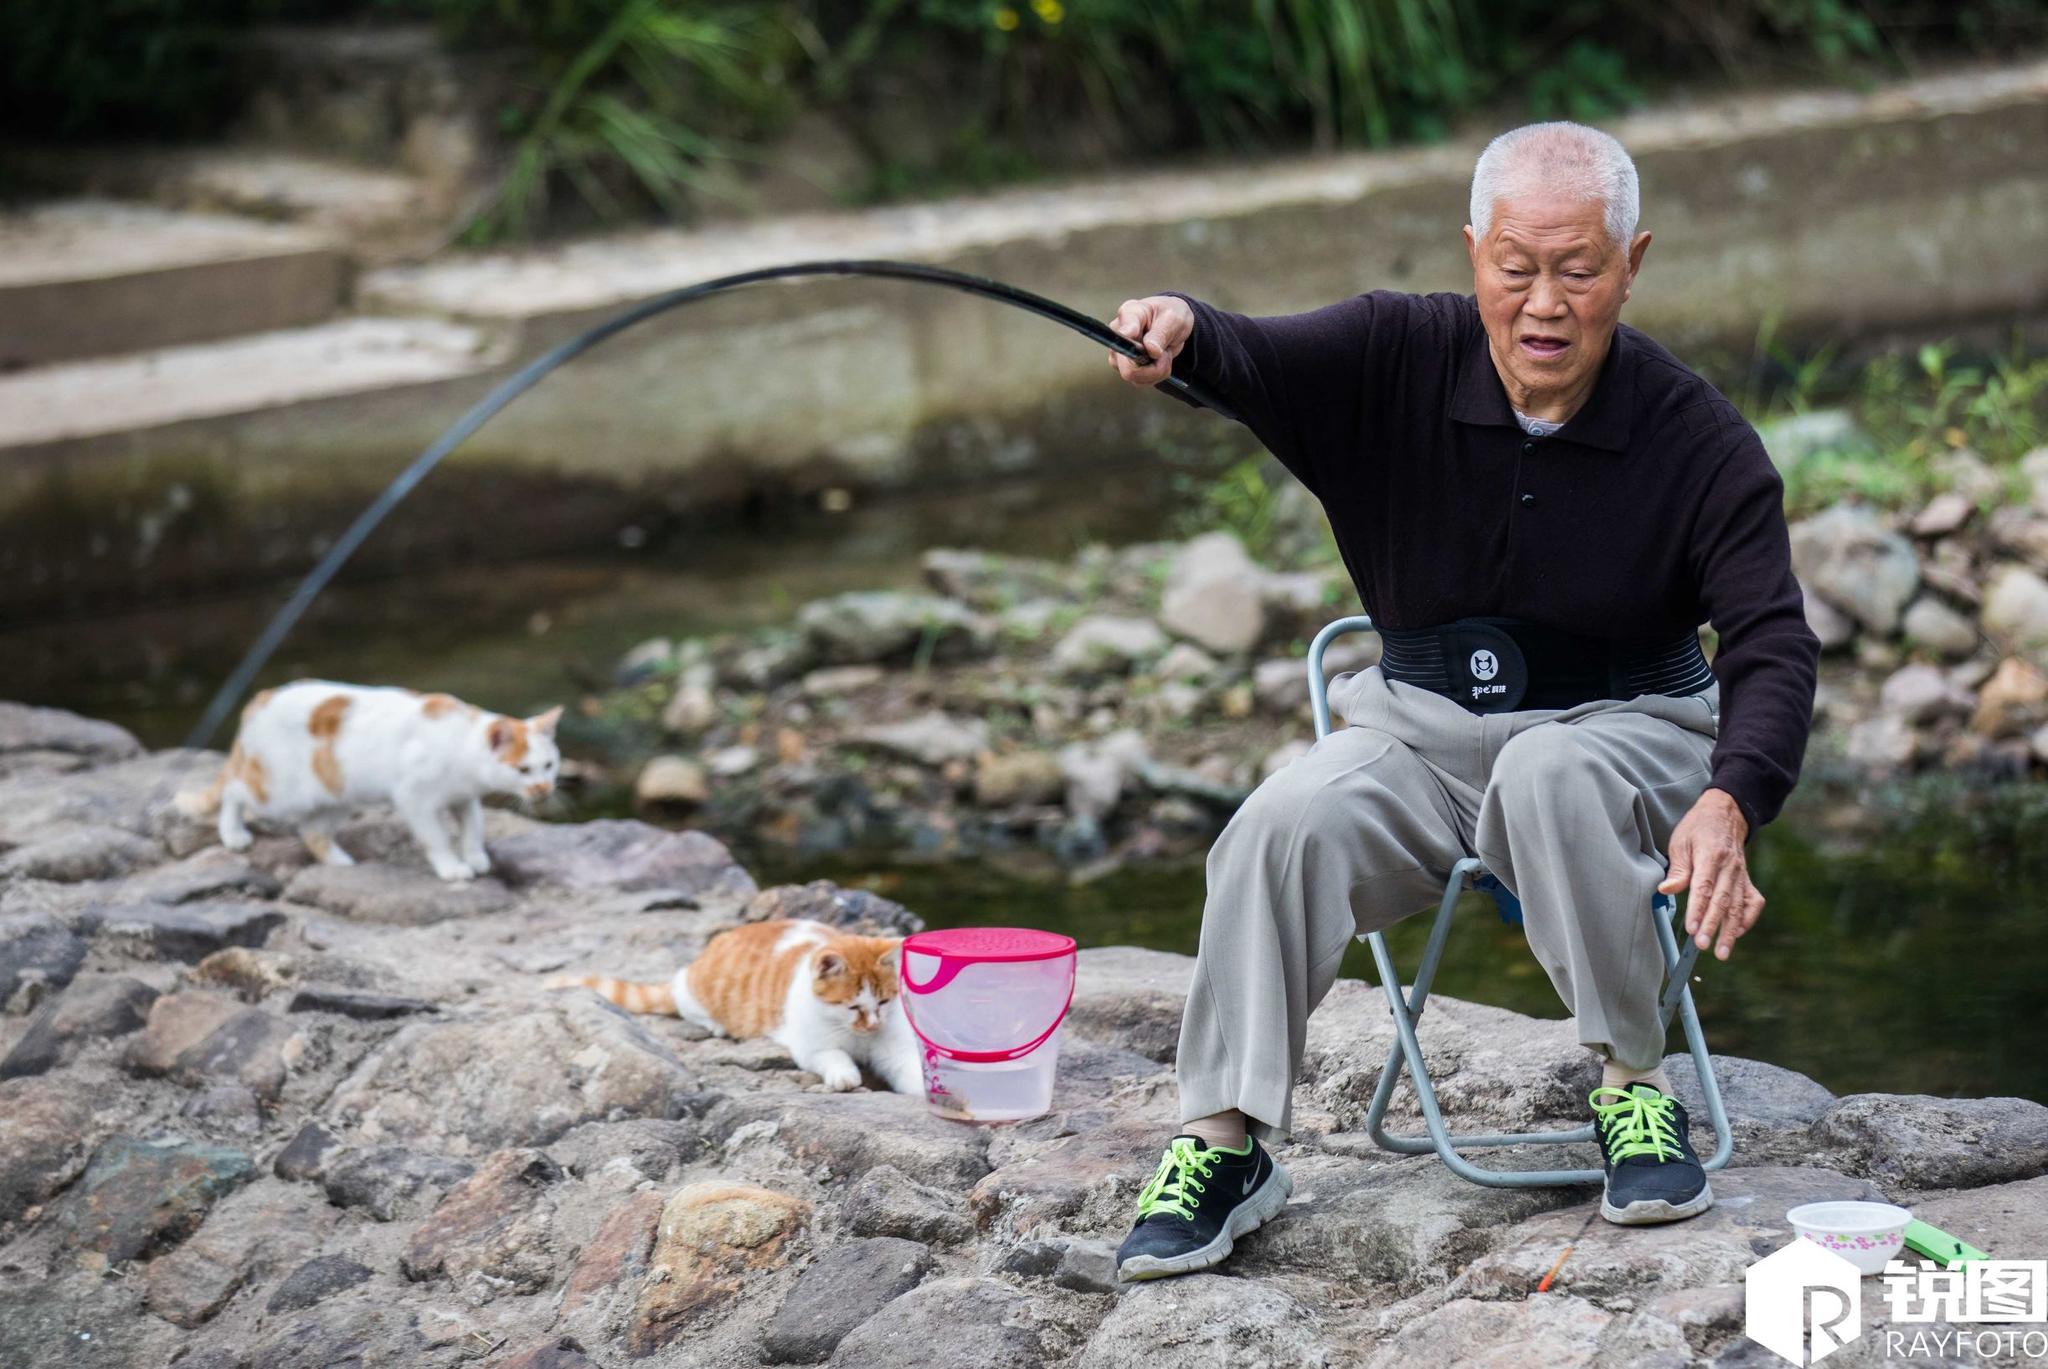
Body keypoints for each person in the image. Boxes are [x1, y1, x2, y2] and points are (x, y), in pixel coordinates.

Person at [1102, 121, 1820, 1283]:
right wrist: (1176, 328)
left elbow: (1773, 641)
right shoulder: (1394, 351)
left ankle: (1633, 1089)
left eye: (1577, 270)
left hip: (1626, 731)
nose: (1543, 303)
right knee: (1278, 822)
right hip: (1418, 738)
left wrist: (1731, 795)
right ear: (1473, 251)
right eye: (1515, 267)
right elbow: (1241, 355)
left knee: (1546, 771)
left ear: (1630, 265)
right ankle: (1223, 1142)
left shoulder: (1695, 437)